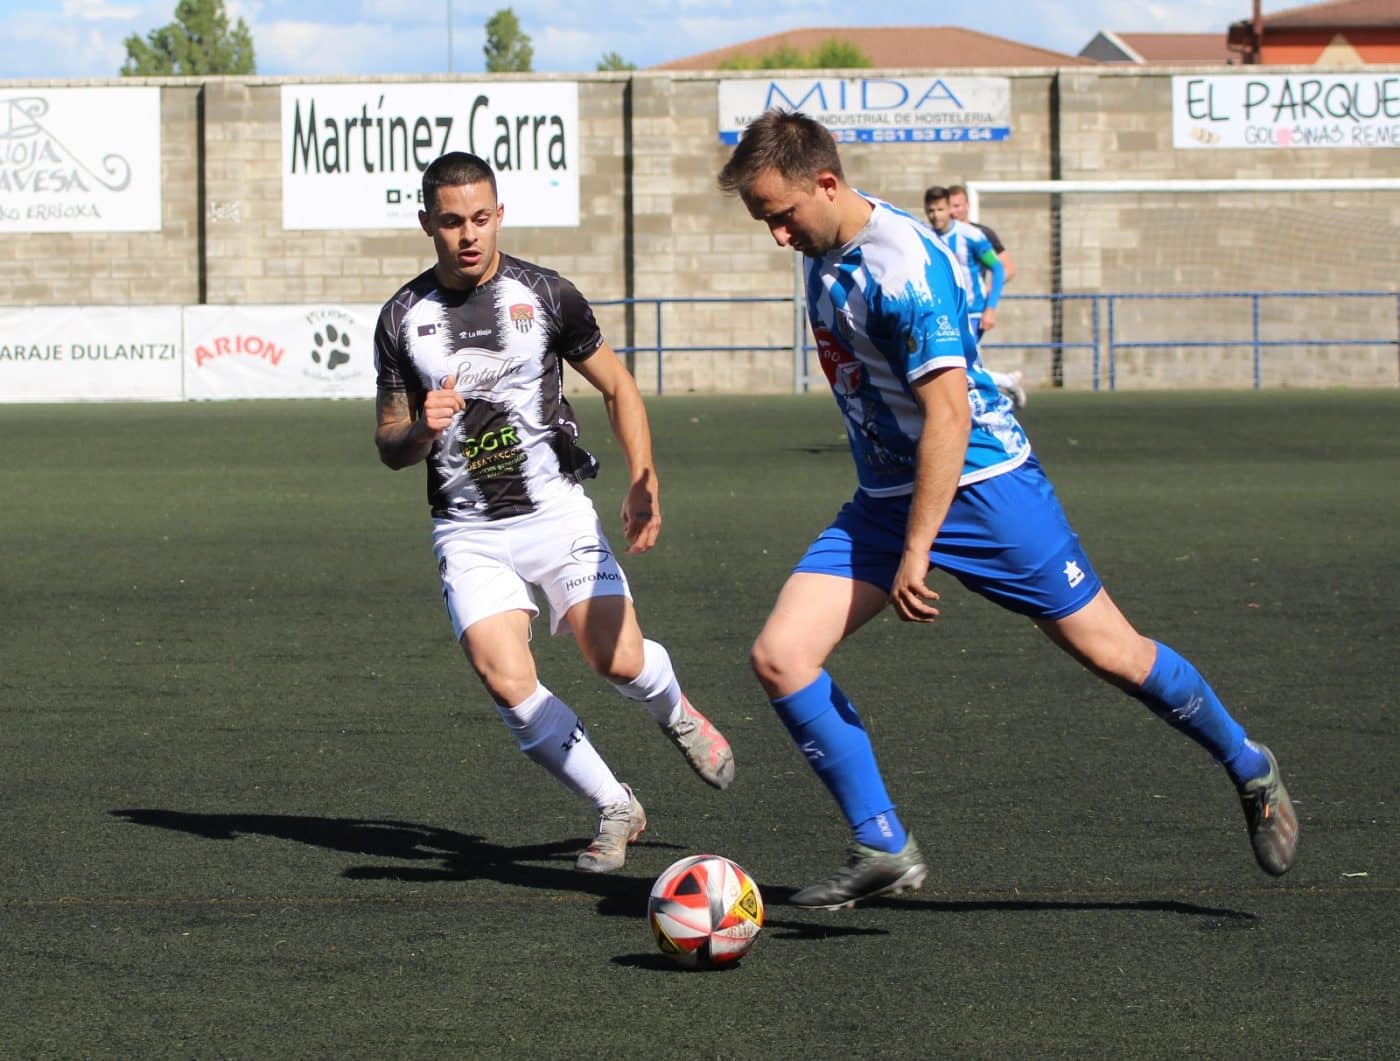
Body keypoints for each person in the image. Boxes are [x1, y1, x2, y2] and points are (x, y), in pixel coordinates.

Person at [719, 111, 1296, 910]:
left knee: (1114, 653)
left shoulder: (905, 270)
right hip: (889, 497)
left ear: (826, 183)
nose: (777, 236)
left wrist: (917, 548)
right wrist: (904, 527)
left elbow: (950, 417)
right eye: (764, 221)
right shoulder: (824, 246)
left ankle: (1247, 762)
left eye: (781, 215)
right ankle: (883, 842)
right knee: (781, 654)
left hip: (985, 489)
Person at [373, 151, 734, 875]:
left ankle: (675, 710)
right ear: (426, 225)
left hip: (555, 513)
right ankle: (614, 805)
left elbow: (618, 386)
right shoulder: (402, 319)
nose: (468, 234)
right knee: (504, 675)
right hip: (468, 529)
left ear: (499, 214)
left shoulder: (545, 294)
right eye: (450, 221)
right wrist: (421, 429)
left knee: (617, 659)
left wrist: (644, 477)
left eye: (480, 217)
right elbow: (388, 442)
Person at [924, 184, 1026, 408]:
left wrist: (991, 308)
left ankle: (991, 409)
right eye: (931, 211)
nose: (935, 215)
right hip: (945, 313)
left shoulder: (971, 236)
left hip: (973, 311)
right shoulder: (925, 236)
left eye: (940, 210)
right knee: (962, 367)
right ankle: (1006, 382)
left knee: (959, 366)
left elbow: (999, 269)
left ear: (950, 209)